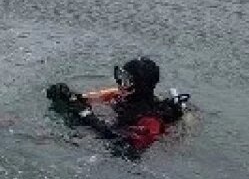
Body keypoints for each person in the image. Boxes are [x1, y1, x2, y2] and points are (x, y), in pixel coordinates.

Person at [46, 57, 188, 157]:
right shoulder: (121, 94)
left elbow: (126, 144)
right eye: (120, 76)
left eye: (126, 80)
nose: (120, 83)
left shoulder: (151, 120)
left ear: (139, 86)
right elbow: (83, 98)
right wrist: (66, 94)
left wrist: (87, 116)